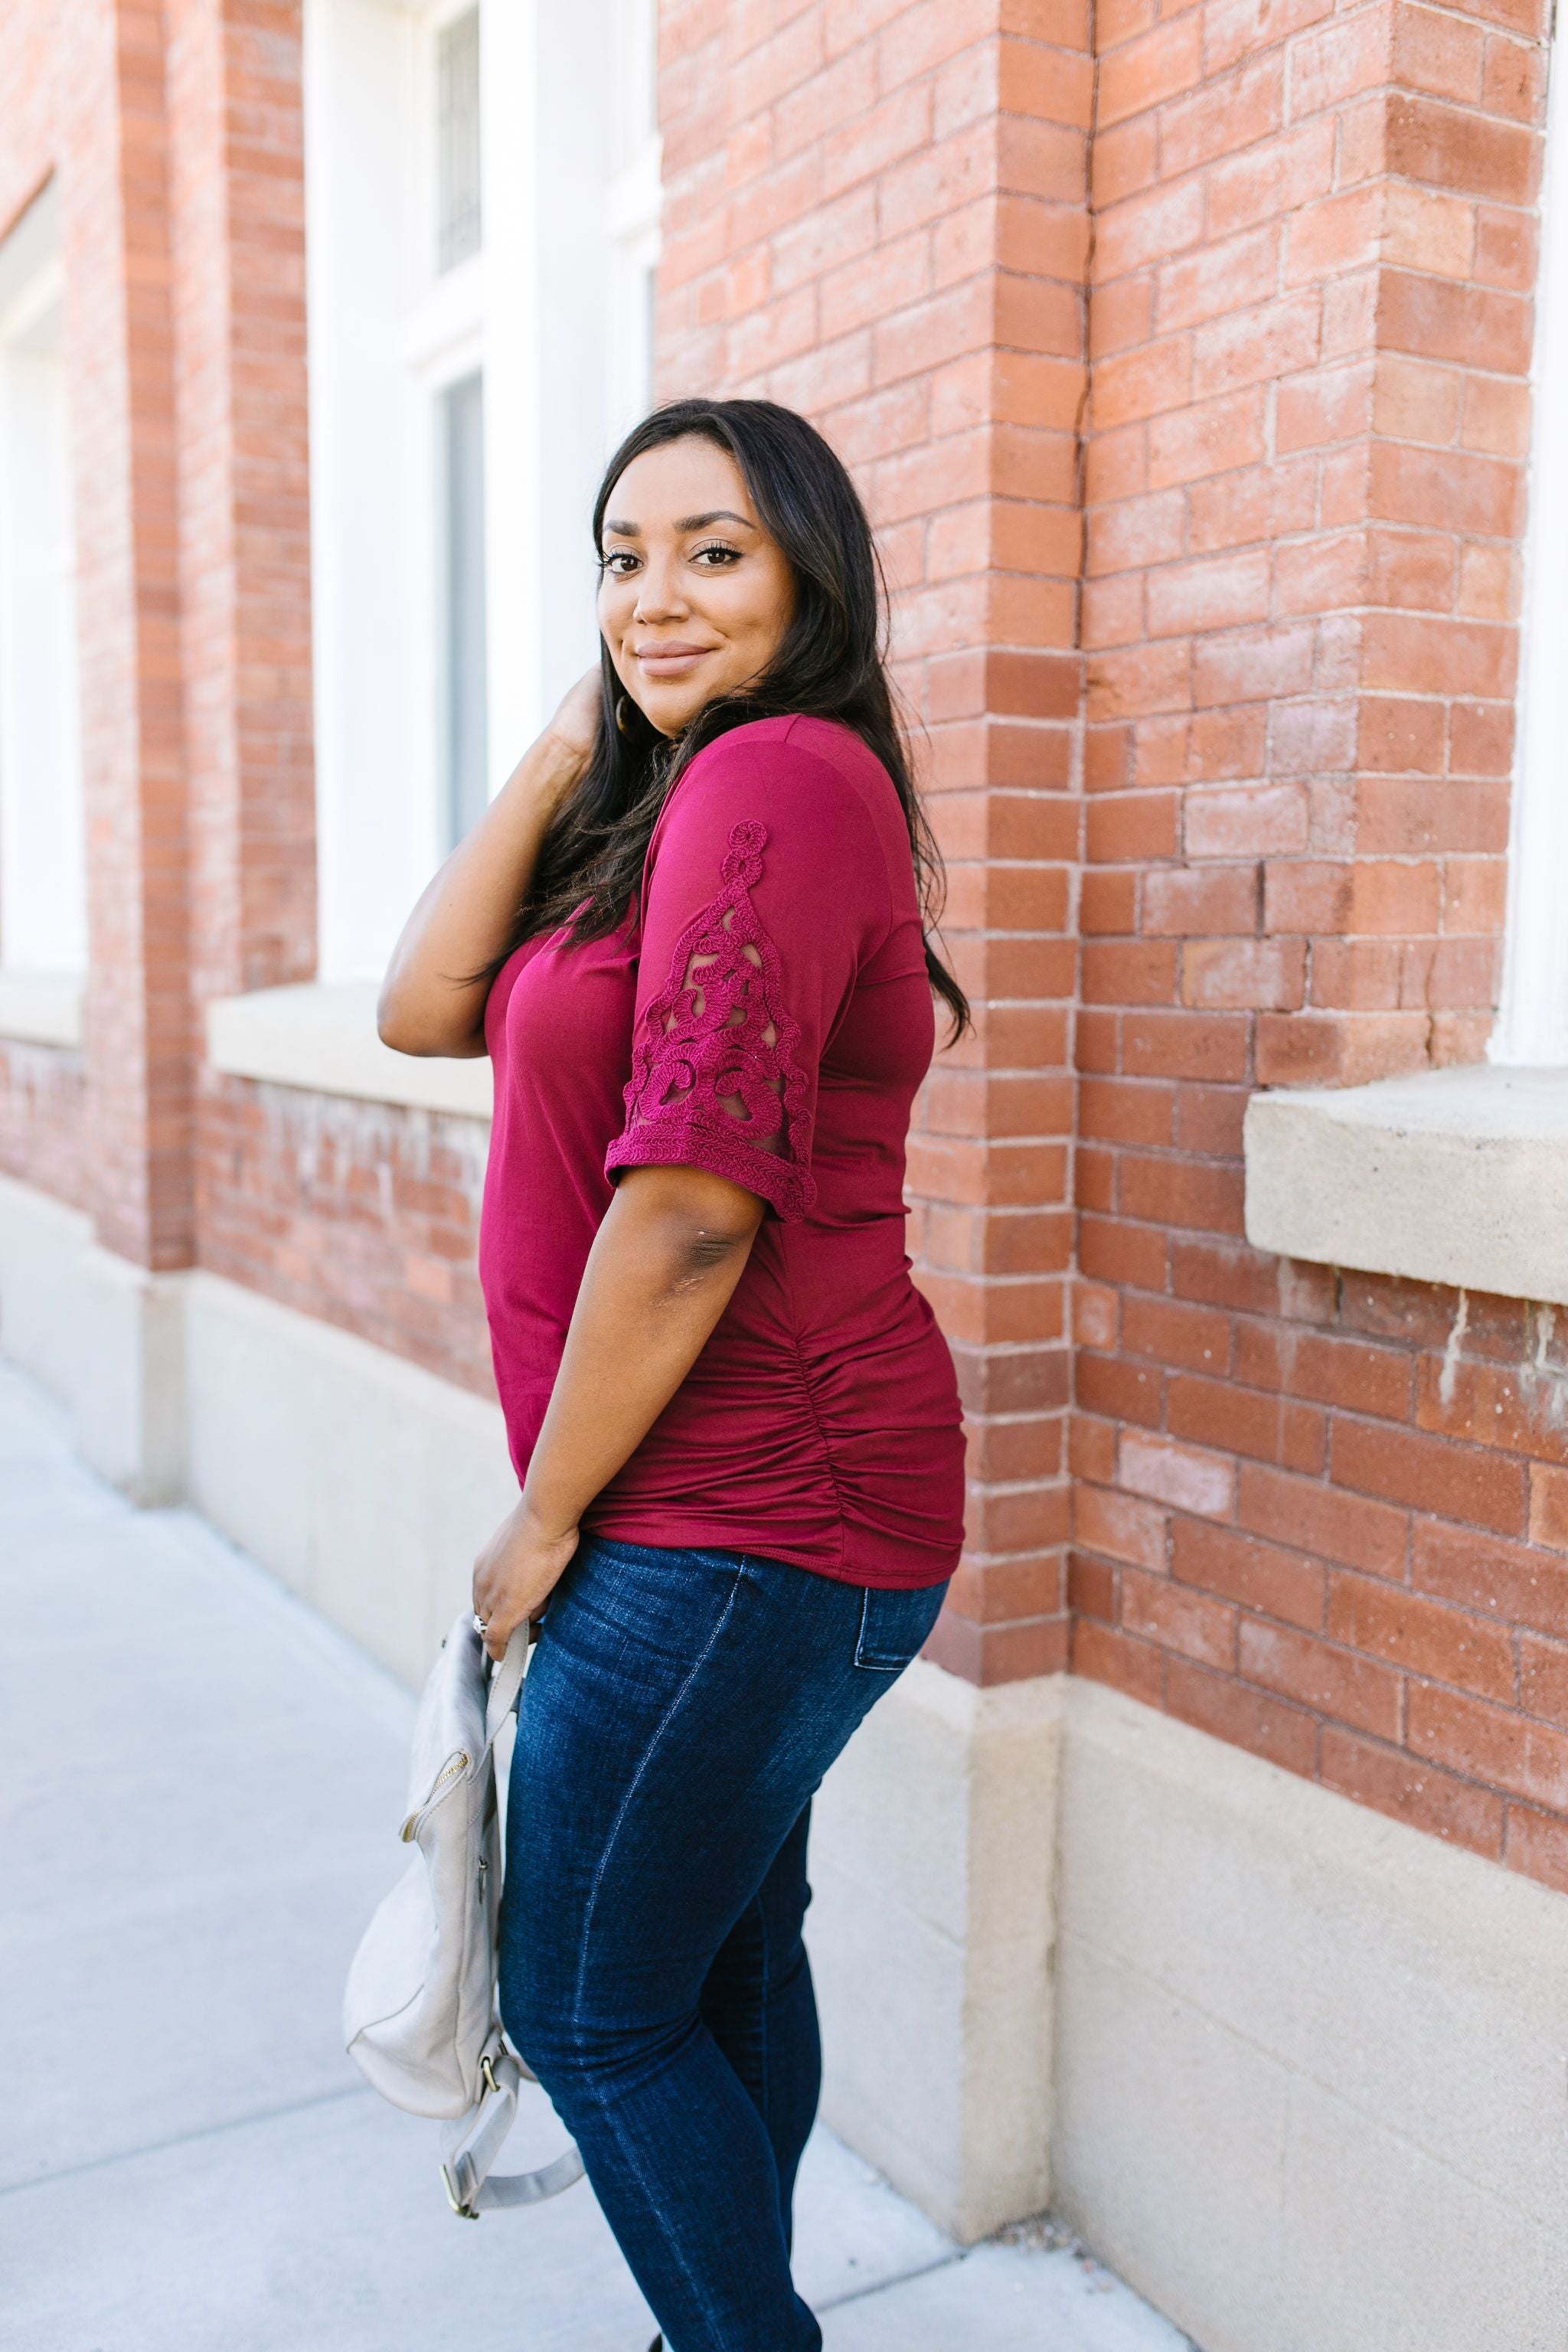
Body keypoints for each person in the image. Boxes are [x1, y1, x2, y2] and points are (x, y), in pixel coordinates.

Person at [378, 397, 968, 2351]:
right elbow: (418, 1004)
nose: (656, 594)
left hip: (743, 1512)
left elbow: (697, 1207)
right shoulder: (678, 798)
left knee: (585, 2006)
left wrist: (543, 1515)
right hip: (737, 1509)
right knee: (720, 1961)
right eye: (621, 557)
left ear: (809, 572)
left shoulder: (780, 778)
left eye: (713, 552)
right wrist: (581, 729)